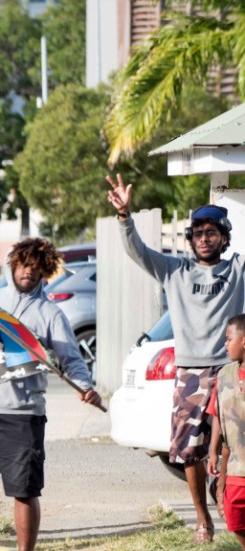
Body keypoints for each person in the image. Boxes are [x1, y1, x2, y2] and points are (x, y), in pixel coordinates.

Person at [108, 173, 243, 544]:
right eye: (198, 233)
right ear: (191, 239)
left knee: (236, 444)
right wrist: (124, 216)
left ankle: (227, 498)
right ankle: (203, 519)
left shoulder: (237, 271)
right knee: (187, 452)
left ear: (224, 238)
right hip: (191, 373)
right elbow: (138, 251)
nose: (204, 238)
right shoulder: (175, 272)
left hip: (231, 372)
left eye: (212, 232)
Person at [0, 237, 101, 551]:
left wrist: (86, 386)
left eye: (36, 267)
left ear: (44, 272)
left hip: (24, 414)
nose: (28, 272)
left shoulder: (50, 313)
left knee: (24, 492)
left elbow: (71, 358)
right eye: (23, 265)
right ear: (13, 265)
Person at [207, 315, 245, 549]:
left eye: (229, 339)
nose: (225, 344)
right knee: (235, 520)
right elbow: (216, 414)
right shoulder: (224, 376)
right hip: (235, 467)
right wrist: (213, 451)